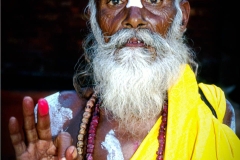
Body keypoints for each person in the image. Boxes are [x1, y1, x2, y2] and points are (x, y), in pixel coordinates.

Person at [8, 0, 240, 159]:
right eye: (115, 0)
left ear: (182, 18)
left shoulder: (216, 112)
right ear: (94, 18)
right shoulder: (58, 119)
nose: (134, 19)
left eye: (154, 0)